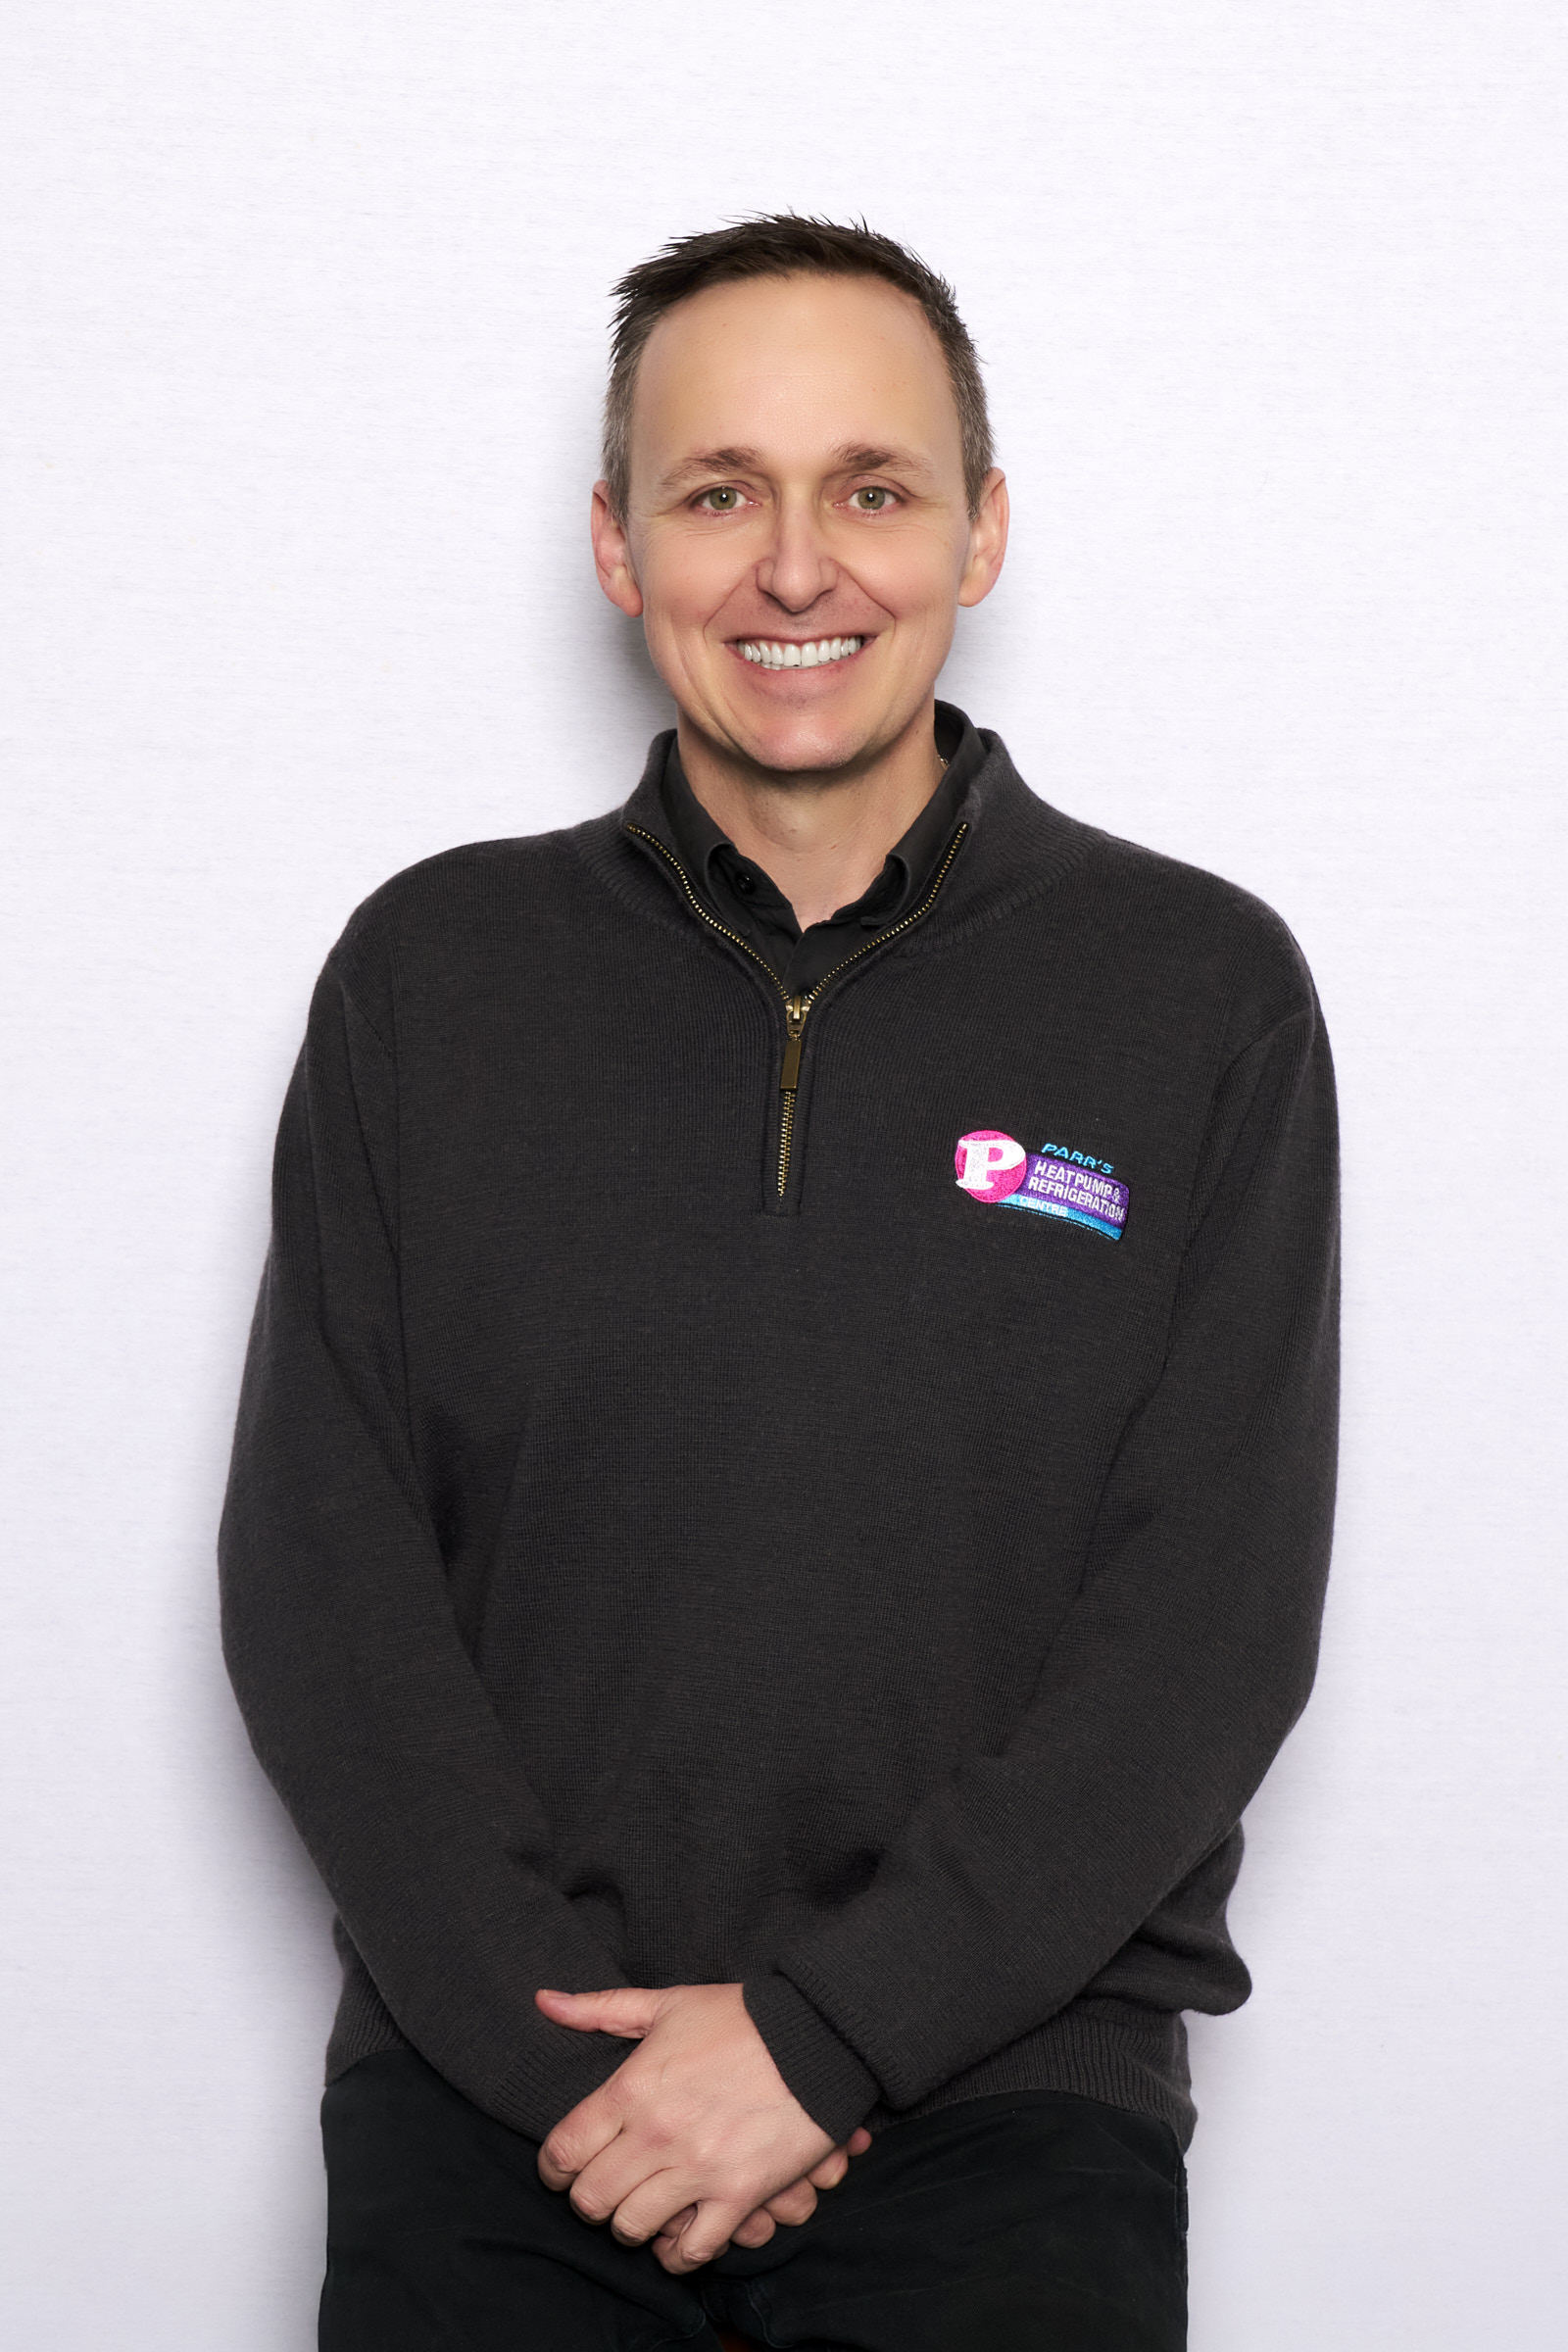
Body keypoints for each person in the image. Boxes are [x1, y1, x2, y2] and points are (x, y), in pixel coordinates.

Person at [220, 216, 1339, 2351]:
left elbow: (1206, 1629)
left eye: (873, 490)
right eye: (719, 492)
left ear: (981, 530)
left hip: (1011, 2107)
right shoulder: (430, 980)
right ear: (617, 545)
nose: (797, 568)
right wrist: (581, 2073)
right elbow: (317, 1582)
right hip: (504, 2103)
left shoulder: (1198, 994)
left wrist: (827, 2040)